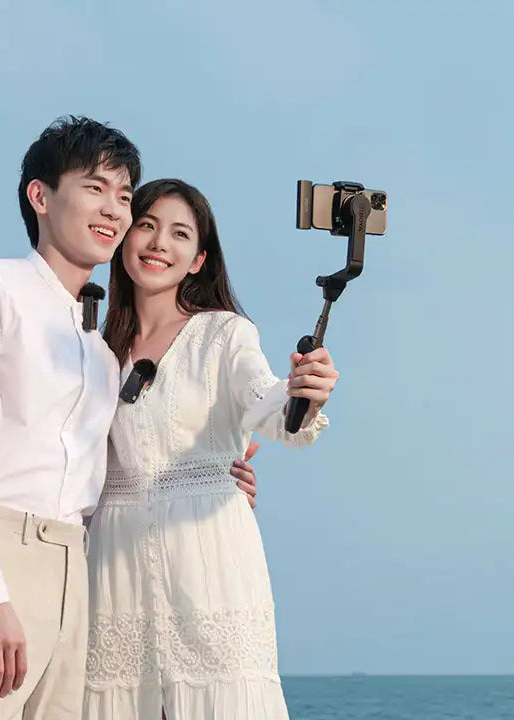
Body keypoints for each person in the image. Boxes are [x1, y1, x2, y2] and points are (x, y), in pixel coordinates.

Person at [0, 118, 260, 720]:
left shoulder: (99, 351)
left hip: (80, 573)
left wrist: (208, 478)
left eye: (124, 195)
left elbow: (108, 471)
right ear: (41, 196)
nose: (114, 209)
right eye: (95, 188)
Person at [82, 179, 340, 719]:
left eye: (180, 234)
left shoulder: (224, 334)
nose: (159, 243)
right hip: (112, 571)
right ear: (124, 236)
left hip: (209, 567)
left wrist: (302, 395)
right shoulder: (96, 349)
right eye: (147, 225)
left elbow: (266, 402)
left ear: (199, 260)